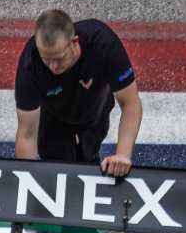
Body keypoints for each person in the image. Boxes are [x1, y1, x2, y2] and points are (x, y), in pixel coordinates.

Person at [14, 9, 143, 173]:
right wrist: (25, 177)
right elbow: (27, 135)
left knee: (88, 158)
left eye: (59, 58)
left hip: (94, 112)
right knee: (59, 165)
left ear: (74, 42)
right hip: (53, 121)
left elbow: (130, 102)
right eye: (46, 59)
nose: (53, 67)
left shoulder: (103, 44)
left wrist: (122, 155)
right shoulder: (30, 64)